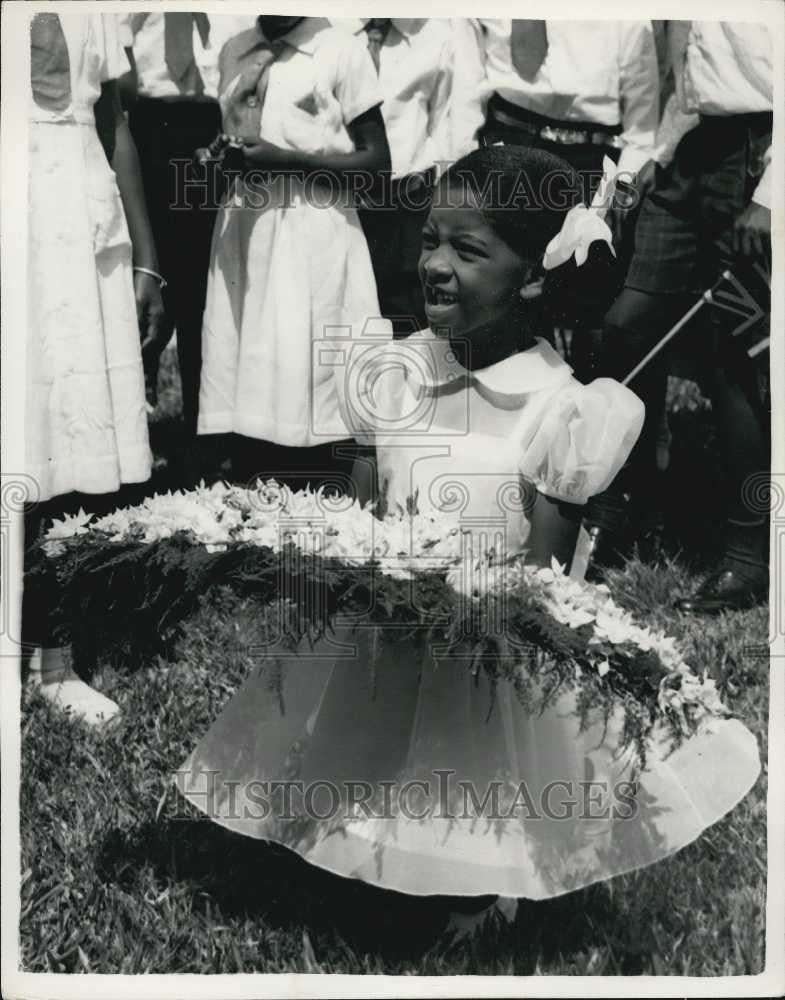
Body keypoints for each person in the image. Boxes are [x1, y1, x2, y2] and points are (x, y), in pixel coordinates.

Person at [177, 148, 760, 939]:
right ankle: (372, 847)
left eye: (468, 249)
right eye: (428, 241)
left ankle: (483, 883)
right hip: (385, 633)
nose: (436, 266)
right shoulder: (391, 371)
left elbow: (542, 585)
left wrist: (465, 601)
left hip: (489, 654)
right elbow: (362, 509)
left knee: (466, 780)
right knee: (367, 755)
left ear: (533, 275)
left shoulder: (561, 411)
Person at [583, 22, 772, 613]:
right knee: (625, 327)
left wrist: (772, 197)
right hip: (688, 153)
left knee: (733, 357)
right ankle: (618, 517)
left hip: (754, 156)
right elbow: (687, 81)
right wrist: (654, 157)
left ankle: (748, 556)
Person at [25, 12, 166, 724]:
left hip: (79, 221)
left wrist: (145, 252)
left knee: (66, 442)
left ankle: (54, 659)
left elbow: (114, 123)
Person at [195, 15, 391, 492]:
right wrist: (220, 158)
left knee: (307, 363)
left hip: (311, 224)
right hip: (245, 225)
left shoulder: (340, 49)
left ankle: (319, 487)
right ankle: (249, 483)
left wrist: (287, 160)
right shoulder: (235, 46)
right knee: (249, 360)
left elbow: (378, 163)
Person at [450, 18, 660, 373]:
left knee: (588, 300)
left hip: (590, 158)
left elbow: (642, 121)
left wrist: (616, 191)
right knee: (510, 298)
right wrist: (464, 173)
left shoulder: (627, 16)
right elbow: (465, 93)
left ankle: (585, 412)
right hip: (510, 146)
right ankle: (514, 410)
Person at [119, 13, 256, 482]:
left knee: (207, 282)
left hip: (214, 124)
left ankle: (206, 430)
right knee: (146, 275)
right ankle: (131, 426)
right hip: (147, 125)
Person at [329, 18, 454, 336]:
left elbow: (445, 121)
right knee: (348, 322)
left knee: (411, 326)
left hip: (408, 206)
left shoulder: (436, 34)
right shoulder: (328, 35)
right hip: (343, 204)